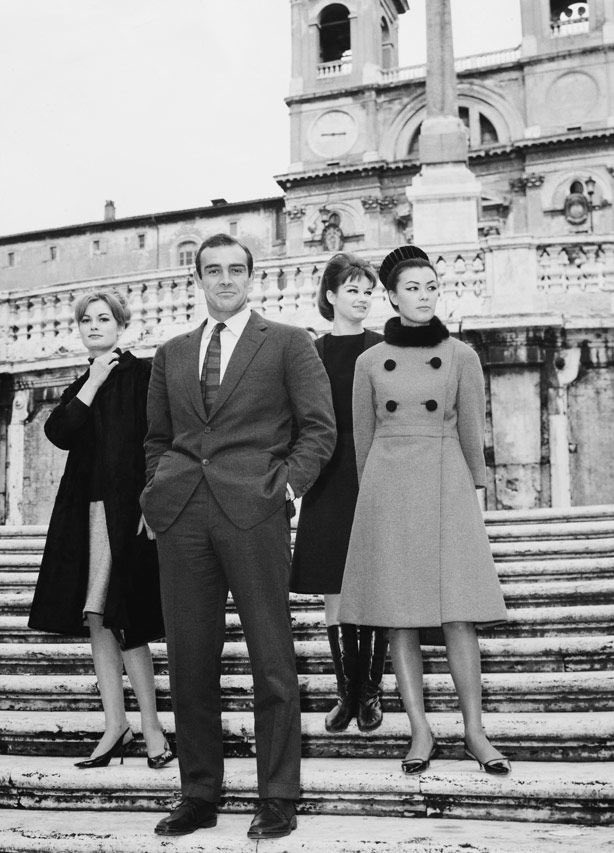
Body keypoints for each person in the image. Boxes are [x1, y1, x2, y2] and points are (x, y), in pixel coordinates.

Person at [141, 233, 336, 839]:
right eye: (213, 270)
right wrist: (159, 489)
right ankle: (199, 793)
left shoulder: (286, 343)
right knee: (189, 660)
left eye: (236, 270)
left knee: (272, 658)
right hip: (182, 517)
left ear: (253, 276)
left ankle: (277, 795)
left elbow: (319, 429)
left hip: (255, 511)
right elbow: (155, 438)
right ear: (196, 278)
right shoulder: (171, 353)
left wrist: (284, 488)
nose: (225, 280)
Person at [339, 245, 510, 777]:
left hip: (444, 483)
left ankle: (475, 733)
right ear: (390, 296)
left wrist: (472, 488)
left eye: (431, 286)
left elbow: (471, 432)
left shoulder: (461, 355)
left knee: (459, 615)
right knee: (399, 621)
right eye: (412, 287)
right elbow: (363, 441)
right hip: (389, 488)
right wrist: (373, 502)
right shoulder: (368, 362)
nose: (424, 295)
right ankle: (419, 731)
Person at [28, 291, 173, 770]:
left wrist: (152, 502)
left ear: (121, 324)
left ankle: (151, 726)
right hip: (83, 516)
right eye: (86, 320)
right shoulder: (81, 384)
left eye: (103, 318)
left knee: (124, 616)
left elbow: (162, 439)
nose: (94, 326)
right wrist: (92, 381)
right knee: (97, 616)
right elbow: (59, 433)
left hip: (125, 513)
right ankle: (116, 724)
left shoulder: (142, 375)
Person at [290, 253, 387, 734]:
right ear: (330, 296)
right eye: (352, 290)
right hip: (328, 473)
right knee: (334, 584)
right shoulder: (313, 350)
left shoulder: (384, 344)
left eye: (368, 290)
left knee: (375, 580)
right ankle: (345, 692)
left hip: (375, 468)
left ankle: (371, 690)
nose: (362, 298)